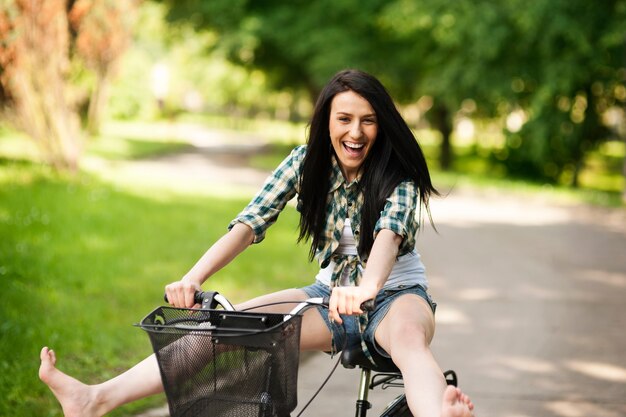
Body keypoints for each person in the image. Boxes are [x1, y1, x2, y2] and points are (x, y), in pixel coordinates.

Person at [39, 69, 475, 417]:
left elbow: (387, 237)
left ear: (381, 125)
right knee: (220, 328)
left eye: (368, 120)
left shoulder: (398, 177)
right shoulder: (305, 163)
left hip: (394, 295)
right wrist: (192, 277)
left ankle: (441, 413)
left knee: (407, 341)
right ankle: (94, 399)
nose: (355, 132)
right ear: (327, 121)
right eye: (344, 119)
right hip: (328, 297)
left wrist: (366, 289)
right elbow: (248, 224)